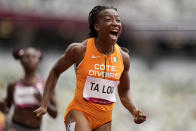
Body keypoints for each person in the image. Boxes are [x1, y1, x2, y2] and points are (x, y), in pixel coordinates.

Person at [34, 5, 146, 131]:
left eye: (118, 20)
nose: (115, 24)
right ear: (97, 26)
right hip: (79, 113)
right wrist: (44, 104)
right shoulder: (79, 50)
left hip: (105, 119)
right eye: (109, 19)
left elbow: (124, 92)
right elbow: (55, 71)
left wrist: (134, 110)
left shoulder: (123, 58)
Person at [0, 47, 57, 131]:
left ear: (39, 60)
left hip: (36, 129)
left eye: (33, 57)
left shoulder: (46, 85)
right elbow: (6, 110)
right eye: (27, 56)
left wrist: (43, 101)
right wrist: (3, 107)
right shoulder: (13, 86)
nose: (30, 59)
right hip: (15, 127)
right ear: (21, 61)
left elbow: (55, 114)